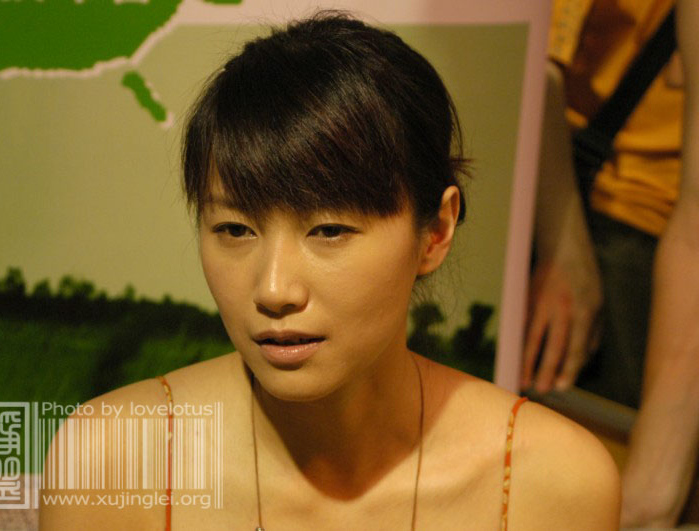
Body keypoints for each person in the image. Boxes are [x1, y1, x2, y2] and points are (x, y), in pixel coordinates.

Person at [40, 12, 619, 529]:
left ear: (436, 231)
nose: (273, 289)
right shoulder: (111, 458)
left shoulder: (546, 480)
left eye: (329, 230)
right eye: (235, 230)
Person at [523, 0, 699, 525]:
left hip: (641, 245)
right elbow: (533, 62)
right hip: (585, 214)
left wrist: (650, 493)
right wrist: (563, 244)